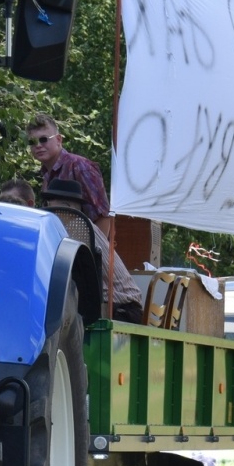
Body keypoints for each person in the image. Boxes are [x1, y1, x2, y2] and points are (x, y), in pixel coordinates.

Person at [41, 179, 143, 323]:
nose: (46, 211)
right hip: (118, 306)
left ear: (66, 208)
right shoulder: (81, 226)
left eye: (50, 206)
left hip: (119, 310)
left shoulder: (77, 230)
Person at [27, 112, 110, 233]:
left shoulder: (80, 167)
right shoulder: (46, 174)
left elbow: (104, 217)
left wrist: (94, 251)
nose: (38, 145)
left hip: (85, 248)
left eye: (43, 139)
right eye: (32, 142)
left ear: (58, 140)